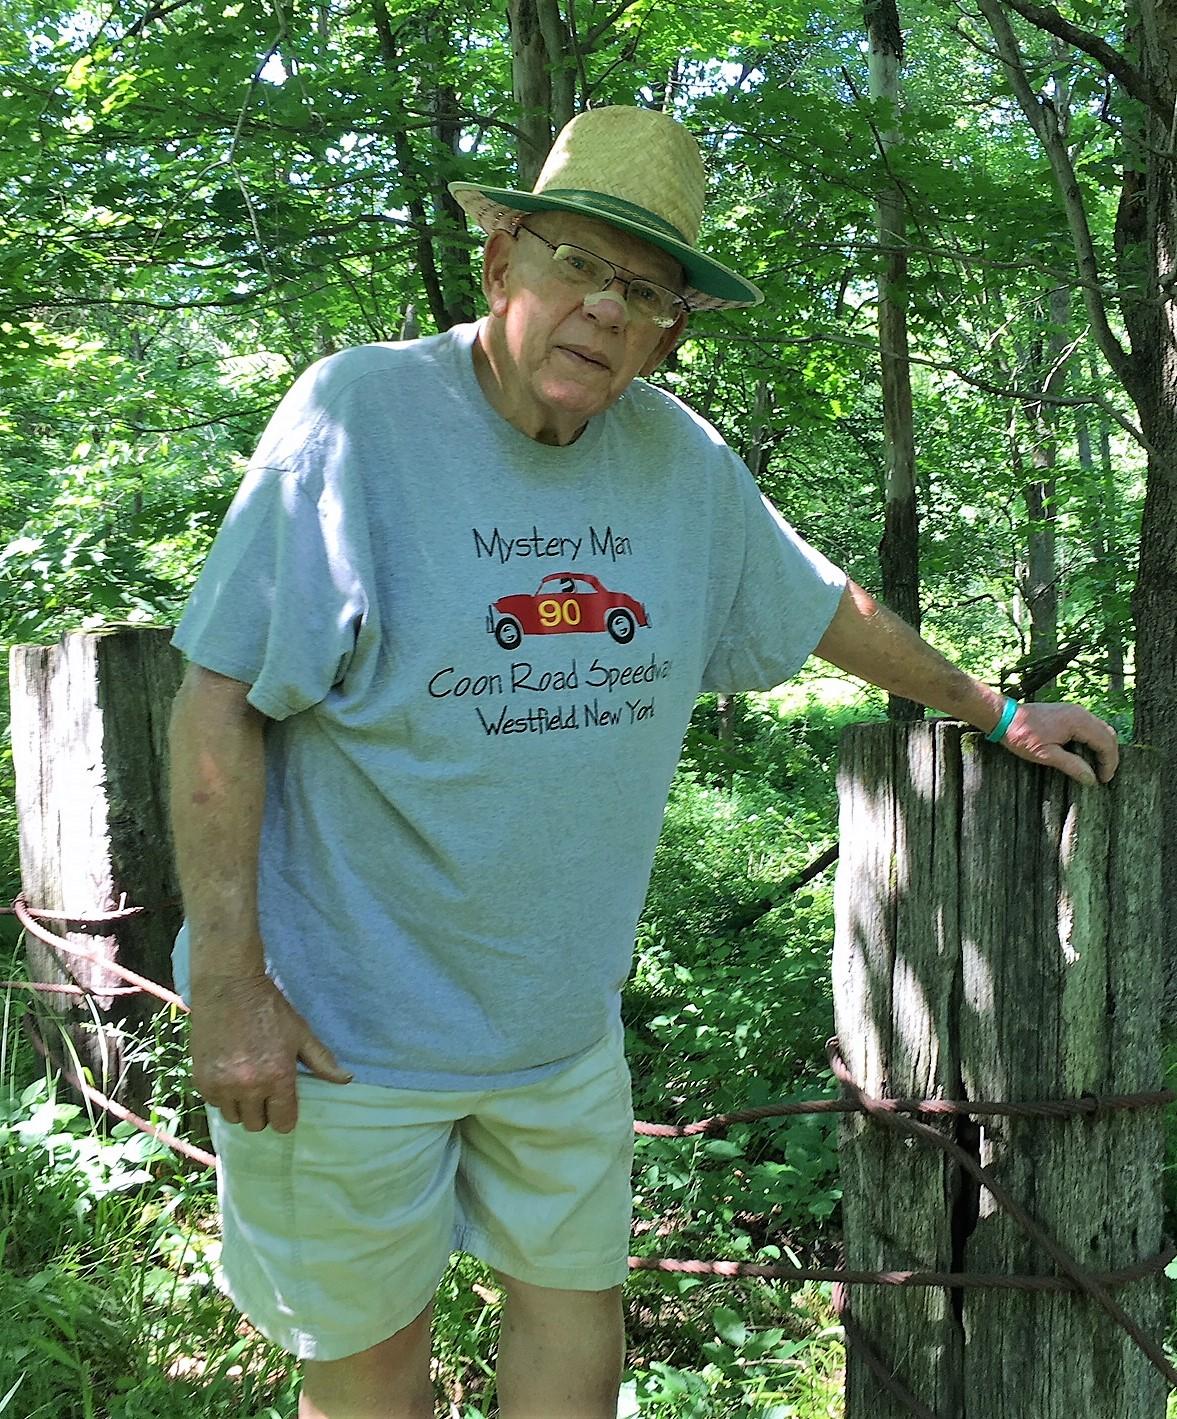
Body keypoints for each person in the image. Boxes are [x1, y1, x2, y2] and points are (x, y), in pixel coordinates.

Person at [167, 105, 1119, 1419]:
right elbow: (218, 700)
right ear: (500, 260)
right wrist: (231, 984)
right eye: (575, 264)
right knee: (371, 1369)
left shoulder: (677, 462)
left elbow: (818, 603)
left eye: (645, 288)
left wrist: (989, 709)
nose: (605, 310)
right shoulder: (358, 419)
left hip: (556, 1035)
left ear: (670, 327)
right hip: (344, 1036)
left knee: (579, 1338)